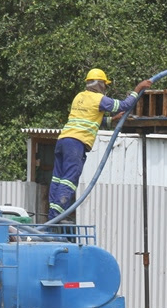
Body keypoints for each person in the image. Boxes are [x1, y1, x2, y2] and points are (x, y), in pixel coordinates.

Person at [48, 68, 152, 219]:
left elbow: (91, 118)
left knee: (58, 178)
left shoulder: (79, 97)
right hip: (76, 143)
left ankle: (51, 216)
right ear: (100, 84)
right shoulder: (98, 99)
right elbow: (124, 105)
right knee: (69, 179)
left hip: (63, 140)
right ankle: (55, 217)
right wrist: (138, 88)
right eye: (105, 84)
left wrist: (111, 120)